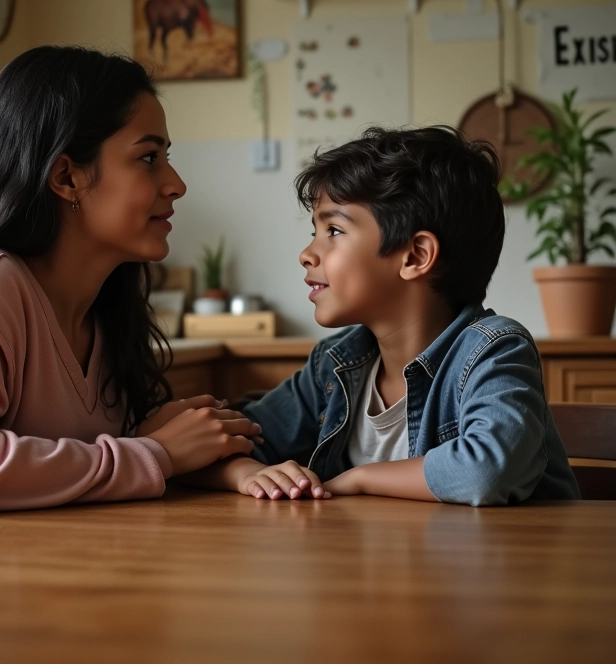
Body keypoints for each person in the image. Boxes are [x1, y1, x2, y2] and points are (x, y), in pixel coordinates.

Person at [0, 45, 261, 515]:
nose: (176, 183)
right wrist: (154, 453)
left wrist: (146, 436)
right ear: (66, 177)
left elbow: (72, 477)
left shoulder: (106, 306)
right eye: (149, 157)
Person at [195, 126, 580, 506]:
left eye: (332, 230)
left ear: (415, 256)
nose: (306, 254)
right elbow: (212, 448)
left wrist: (358, 479)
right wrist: (246, 473)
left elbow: (487, 470)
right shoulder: (332, 367)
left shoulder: (494, 352)